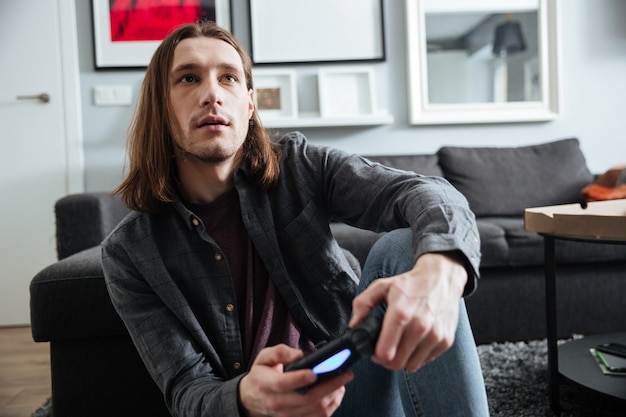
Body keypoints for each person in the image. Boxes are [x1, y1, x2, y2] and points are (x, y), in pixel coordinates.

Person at [101, 21, 490, 417]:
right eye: (188, 78)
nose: (212, 95)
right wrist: (245, 397)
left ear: (249, 105)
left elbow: (428, 194)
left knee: (404, 247)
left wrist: (442, 273)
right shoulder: (129, 253)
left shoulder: (300, 166)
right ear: (160, 107)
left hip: (353, 384)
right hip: (269, 410)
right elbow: (187, 391)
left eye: (229, 78)